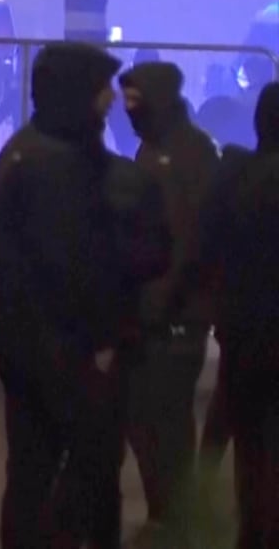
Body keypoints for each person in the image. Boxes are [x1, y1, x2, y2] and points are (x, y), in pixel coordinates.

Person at [0, 42, 172, 549]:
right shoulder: (66, 168)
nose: (111, 99)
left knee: (30, 471)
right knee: (92, 471)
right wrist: (103, 341)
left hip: (22, 346)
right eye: (102, 88)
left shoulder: (22, 152)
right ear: (78, 94)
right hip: (73, 352)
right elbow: (78, 267)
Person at [116, 60, 219, 547]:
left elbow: (191, 241)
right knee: (146, 420)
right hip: (152, 316)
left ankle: (177, 520)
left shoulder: (188, 152)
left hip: (176, 320)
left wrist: (160, 302)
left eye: (136, 102)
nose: (128, 112)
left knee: (166, 423)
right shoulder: (153, 147)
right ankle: (169, 515)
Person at [200, 82, 279, 548]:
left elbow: (208, 250)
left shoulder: (236, 178)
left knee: (250, 447)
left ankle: (252, 532)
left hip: (244, 333)